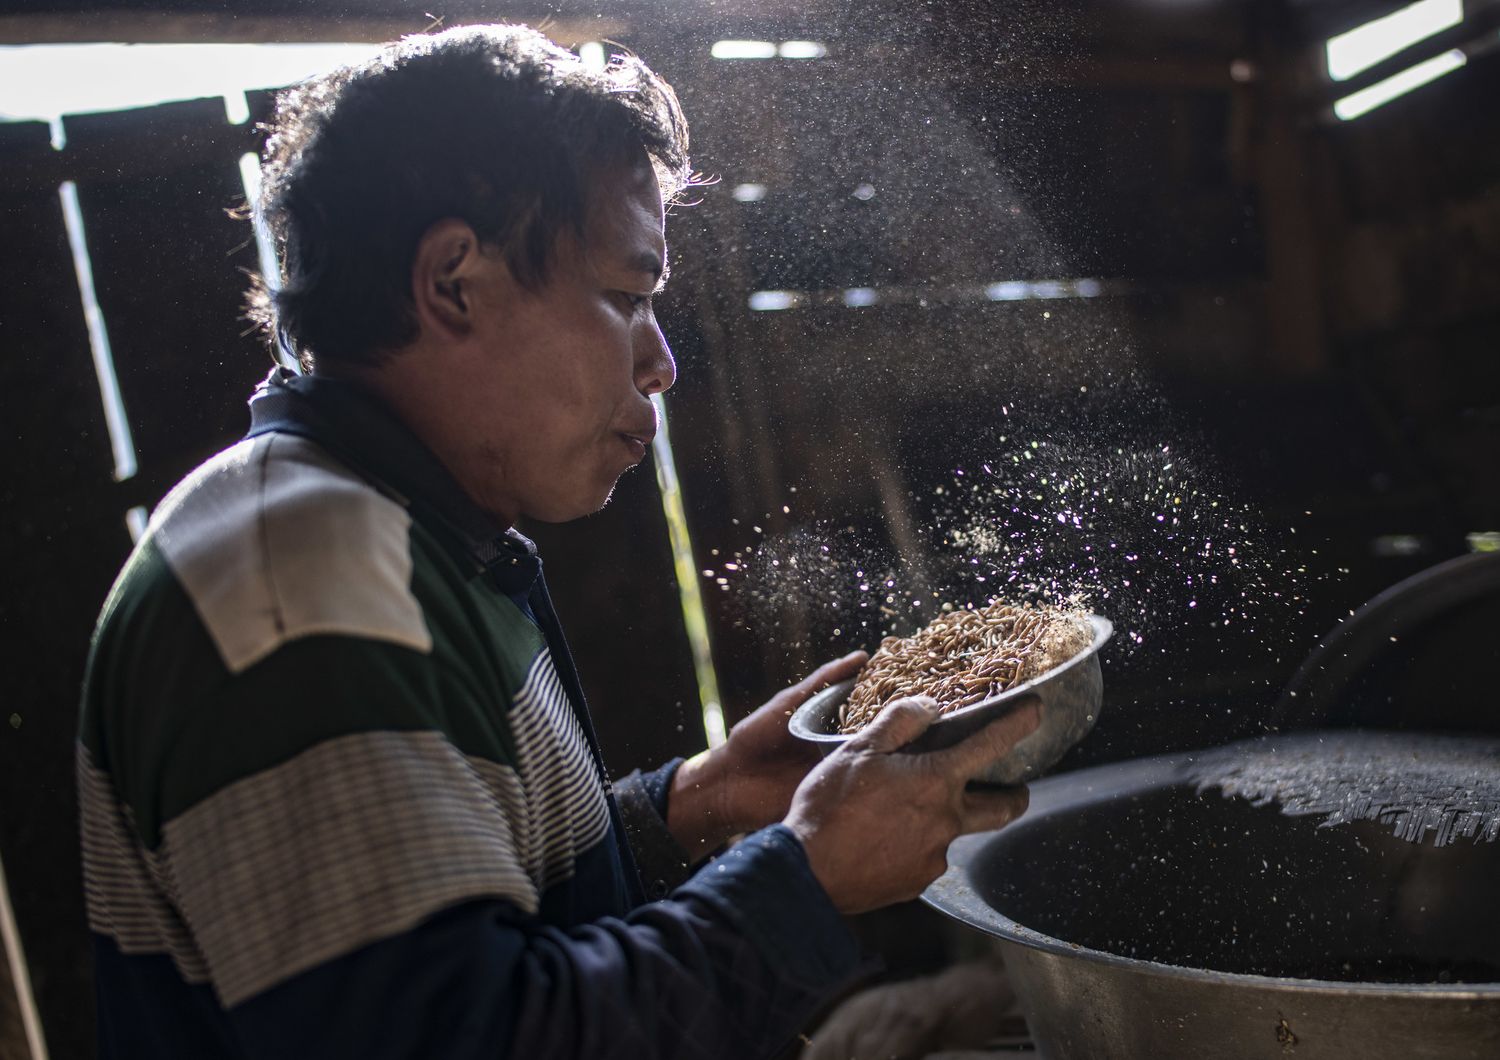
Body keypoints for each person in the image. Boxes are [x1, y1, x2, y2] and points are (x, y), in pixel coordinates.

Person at [77, 24, 1038, 1059]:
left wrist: (696, 807)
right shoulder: (301, 593)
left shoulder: (404, 541)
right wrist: (802, 877)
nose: (661, 362)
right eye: (625, 297)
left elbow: (486, 908)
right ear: (454, 282)